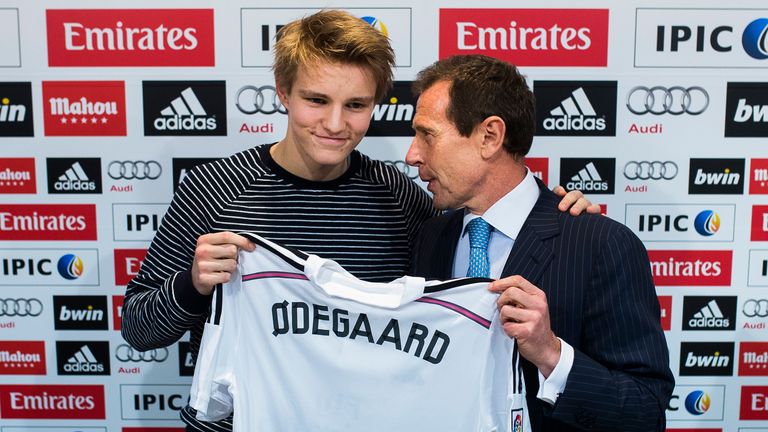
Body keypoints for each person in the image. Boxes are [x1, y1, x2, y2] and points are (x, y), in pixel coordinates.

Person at [121, 11, 595, 431]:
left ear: (377, 104)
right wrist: (193, 285)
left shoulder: (403, 200)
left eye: (356, 106)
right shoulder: (215, 188)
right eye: (316, 100)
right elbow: (139, 330)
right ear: (283, 92)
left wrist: (551, 210)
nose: (334, 124)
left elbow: (479, 240)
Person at [406, 54, 674, 432]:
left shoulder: (601, 245)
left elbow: (645, 411)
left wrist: (551, 354)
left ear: (489, 136)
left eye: (427, 134)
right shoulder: (432, 238)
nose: (412, 155)